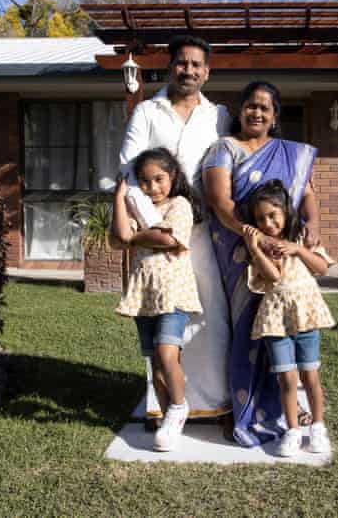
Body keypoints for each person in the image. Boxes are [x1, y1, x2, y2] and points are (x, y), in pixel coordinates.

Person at [119, 35, 232, 425]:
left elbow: (228, 168)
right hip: (157, 242)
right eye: (182, 63)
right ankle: (162, 405)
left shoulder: (219, 116)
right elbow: (128, 173)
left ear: (207, 72)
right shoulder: (147, 112)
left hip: (204, 236)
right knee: (158, 319)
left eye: (196, 64)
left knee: (210, 319)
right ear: (171, 67)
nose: (189, 70)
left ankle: (215, 402)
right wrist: (156, 228)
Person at [202, 80, 321, 447]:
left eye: (264, 108)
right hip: (242, 252)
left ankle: (287, 411)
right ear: (240, 111)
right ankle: (244, 410)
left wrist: (313, 223)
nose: (256, 112)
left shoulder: (291, 154)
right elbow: (220, 202)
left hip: (283, 255)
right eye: (251, 105)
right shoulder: (224, 149)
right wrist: (255, 237)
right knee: (247, 330)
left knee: (282, 329)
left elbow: (307, 194)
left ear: (274, 116)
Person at [113, 148, 203, 451]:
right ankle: (168, 420)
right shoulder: (138, 209)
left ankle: (179, 407)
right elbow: (119, 235)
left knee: (167, 355)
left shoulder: (180, 205)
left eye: (158, 179)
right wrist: (120, 197)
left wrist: (136, 237)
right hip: (145, 295)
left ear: (172, 177)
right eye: (145, 182)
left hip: (173, 292)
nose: (153, 187)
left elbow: (168, 239)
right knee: (156, 362)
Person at [242, 179, 335, 456]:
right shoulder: (261, 249)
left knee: (310, 375)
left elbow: (321, 268)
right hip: (276, 321)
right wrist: (255, 250)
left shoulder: (302, 238)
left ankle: (318, 428)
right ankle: (293, 430)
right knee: (287, 379)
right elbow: (274, 276)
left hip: (305, 317)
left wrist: (299, 250)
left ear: (286, 212)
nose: (268, 223)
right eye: (261, 219)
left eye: (273, 215)